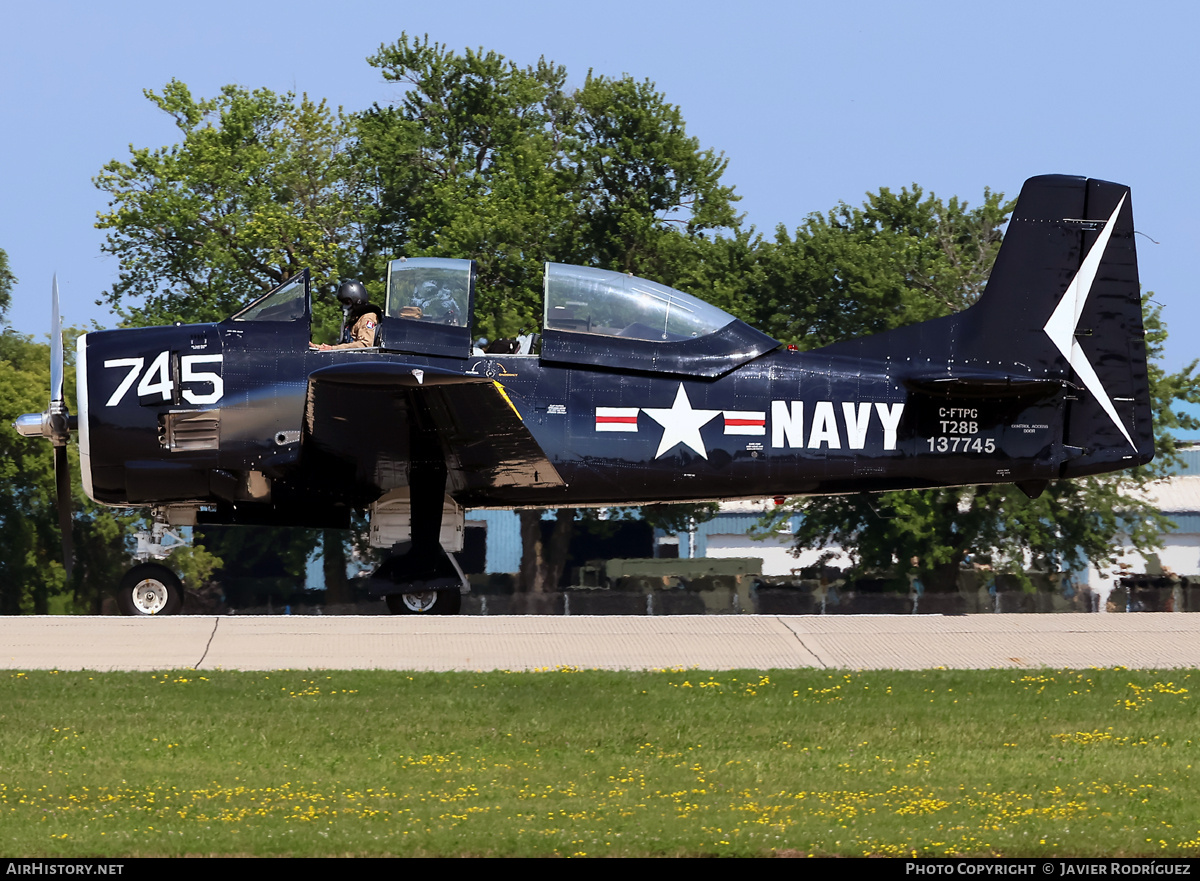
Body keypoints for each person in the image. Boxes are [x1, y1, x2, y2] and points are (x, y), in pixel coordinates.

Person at [312, 305, 381, 350]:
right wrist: (317, 347)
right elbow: (344, 345)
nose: (345, 306)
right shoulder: (353, 321)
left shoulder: (367, 317)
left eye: (347, 302)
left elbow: (365, 345)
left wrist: (332, 348)